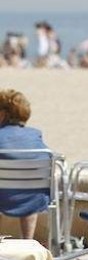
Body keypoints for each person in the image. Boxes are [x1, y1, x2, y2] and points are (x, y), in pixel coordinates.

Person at [0, 89, 50, 239]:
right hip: (35, 197)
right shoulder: (35, 134)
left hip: (3, 197)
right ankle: (28, 241)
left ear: (2, 114)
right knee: (30, 186)